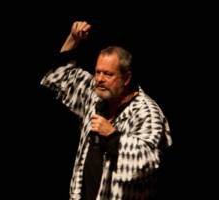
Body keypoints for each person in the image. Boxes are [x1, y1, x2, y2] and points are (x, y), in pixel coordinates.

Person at [40, 21, 172, 200]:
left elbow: (150, 161)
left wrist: (112, 137)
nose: (99, 79)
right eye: (97, 72)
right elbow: (61, 75)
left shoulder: (146, 111)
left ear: (126, 78)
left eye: (108, 74)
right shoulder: (96, 97)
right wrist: (73, 39)